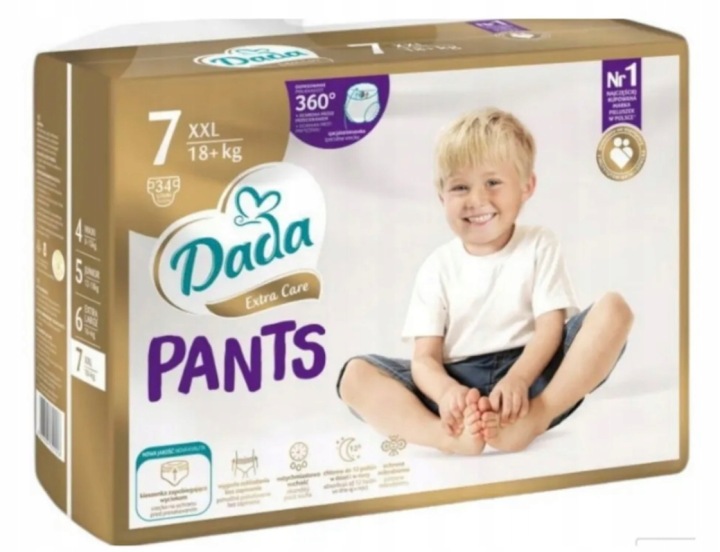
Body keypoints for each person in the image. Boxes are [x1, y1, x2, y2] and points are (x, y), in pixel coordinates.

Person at [336, 108, 633, 455]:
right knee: (354, 376)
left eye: (493, 183)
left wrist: (519, 379)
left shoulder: (539, 244)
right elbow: (425, 360)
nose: (476, 200)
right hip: (458, 385)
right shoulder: (437, 267)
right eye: (460, 187)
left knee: (614, 310)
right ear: (442, 197)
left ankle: (536, 416)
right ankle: (447, 436)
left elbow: (550, 330)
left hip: (534, 373)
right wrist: (448, 393)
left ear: (526, 187)